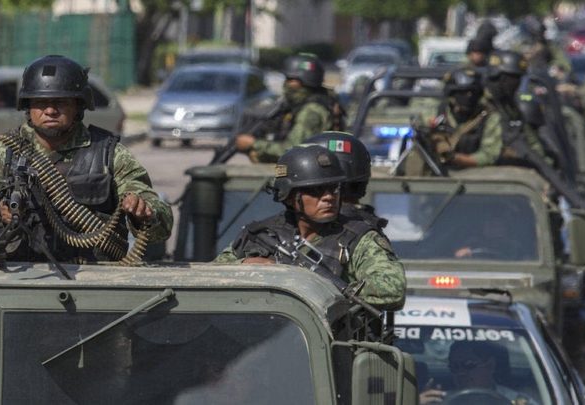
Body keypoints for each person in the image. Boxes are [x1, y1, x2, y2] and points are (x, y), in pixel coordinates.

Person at [0, 54, 172, 263]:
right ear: (28, 107)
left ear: (78, 106)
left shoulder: (109, 153)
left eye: (60, 102)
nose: (50, 110)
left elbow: (160, 218)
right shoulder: (2, 153)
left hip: (95, 283)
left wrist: (142, 212)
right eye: (41, 102)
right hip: (21, 278)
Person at [214, 145, 406, 310]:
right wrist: (247, 268)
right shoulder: (261, 235)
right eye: (315, 191)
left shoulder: (357, 238)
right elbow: (210, 277)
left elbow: (392, 290)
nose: (328, 197)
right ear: (289, 196)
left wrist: (308, 280)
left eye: (334, 189)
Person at [233, 53, 341, 163]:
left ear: (306, 81)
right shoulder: (300, 104)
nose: (286, 84)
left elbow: (294, 150)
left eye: (291, 80)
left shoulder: (311, 111)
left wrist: (254, 144)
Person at [419, 341, 537, 405]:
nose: (460, 373)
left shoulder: (516, 401)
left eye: (468, 365)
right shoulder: (438, 401)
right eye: (455, 367)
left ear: (490, 365)